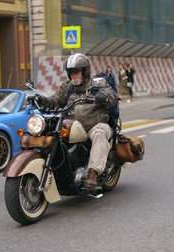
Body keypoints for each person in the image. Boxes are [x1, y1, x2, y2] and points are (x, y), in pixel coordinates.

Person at [30, 53, 117, 190]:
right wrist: (41, 99)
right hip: (73, 127)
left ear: (85, 71)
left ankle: (92, 173)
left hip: (95, 125)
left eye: (77, 72)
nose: (74, 76)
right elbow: (55, 101)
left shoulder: (97, 84)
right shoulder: (67, 87)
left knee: (99, 133)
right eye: (71, 73)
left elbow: (112, 96)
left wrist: (103, 96)